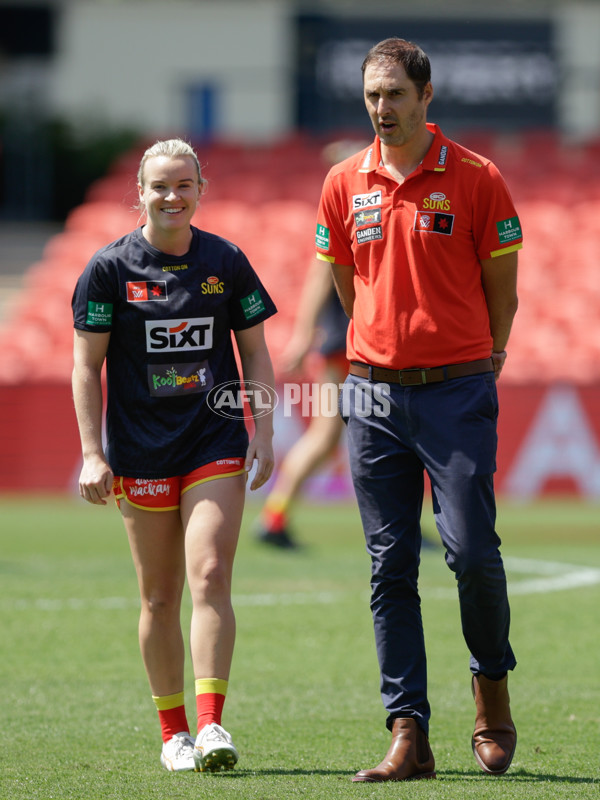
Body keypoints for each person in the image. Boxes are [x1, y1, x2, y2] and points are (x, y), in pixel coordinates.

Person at [315, 38, 521, 782]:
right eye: (372, 96)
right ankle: (409, 734)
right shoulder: (343, 182)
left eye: (395, 95)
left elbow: (506, 292)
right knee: (389, 566)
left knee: (471, 553)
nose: (381, 109)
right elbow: (347, 286)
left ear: (426, 97)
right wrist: (378, 351)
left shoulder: (477, 177)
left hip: (458, 389)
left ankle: (491, 689)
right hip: (372, 391)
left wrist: (481, 360)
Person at [71, 138, 277, 773]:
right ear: (140, 193)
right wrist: (91, 453)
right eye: (160, 186)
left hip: (214, 441)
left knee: (211, 574)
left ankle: (213, 726)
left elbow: (257, 355)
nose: (172, 196)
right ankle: (173, 733)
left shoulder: (227, 261)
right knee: (158, 597)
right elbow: (86, 366)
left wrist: (263, 433)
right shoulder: (107, 270)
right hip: (139, 451)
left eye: (183, 184)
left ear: (200, 190)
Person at [255, 257, 348, 548]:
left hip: (353, 339)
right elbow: (321, 273)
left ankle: (275, 517)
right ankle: (273, 517)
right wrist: (303, 336)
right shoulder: (352, 216)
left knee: (328, 438)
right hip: (346, 341)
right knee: (325, 437)